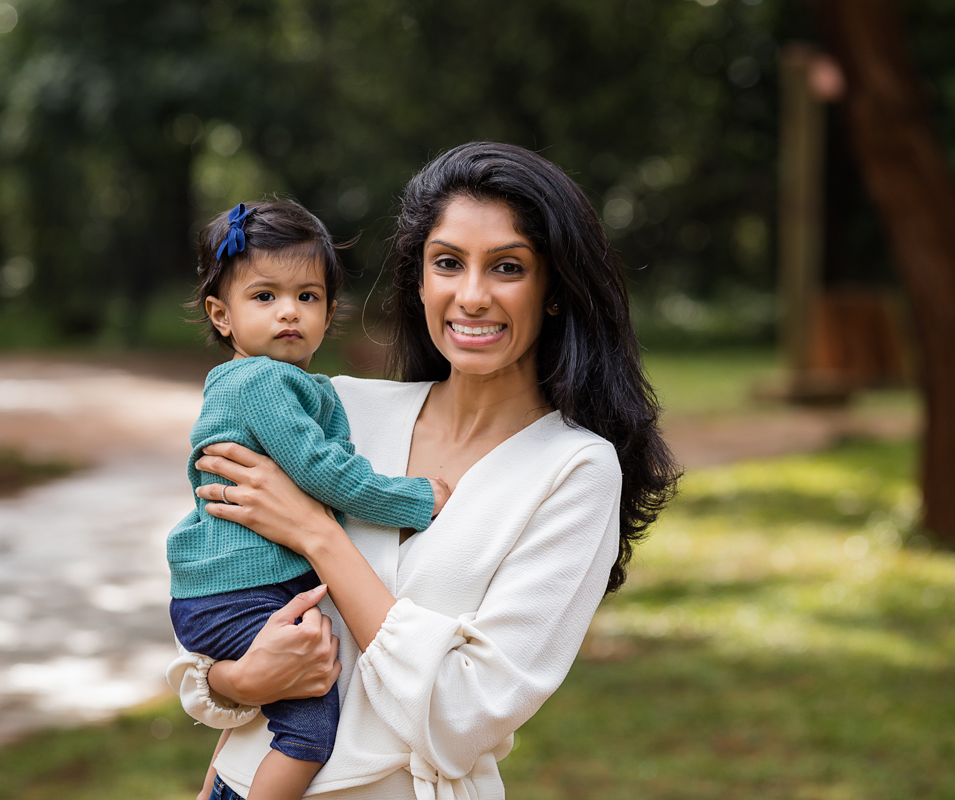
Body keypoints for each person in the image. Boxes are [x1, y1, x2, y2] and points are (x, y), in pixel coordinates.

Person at [167, 142, 680, 800]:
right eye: (448, 263)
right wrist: (236, 683)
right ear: (419, 281)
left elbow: (462, 714)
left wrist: (319, 535)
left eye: (507, 267)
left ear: (554, 289)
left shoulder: (574, 471)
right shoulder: (337, 411)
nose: (472, 295)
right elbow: (228, 612)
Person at [168, 199, 452, 800]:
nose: (289, 312)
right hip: (237, 593)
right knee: (308, 728)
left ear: (328, 311)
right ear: (222, 315)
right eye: (264, 297)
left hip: (229, 591)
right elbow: (324, 472)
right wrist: (415, 500)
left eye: (308, 296)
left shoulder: (284, 384)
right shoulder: (262, 381)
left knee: (293, 703)